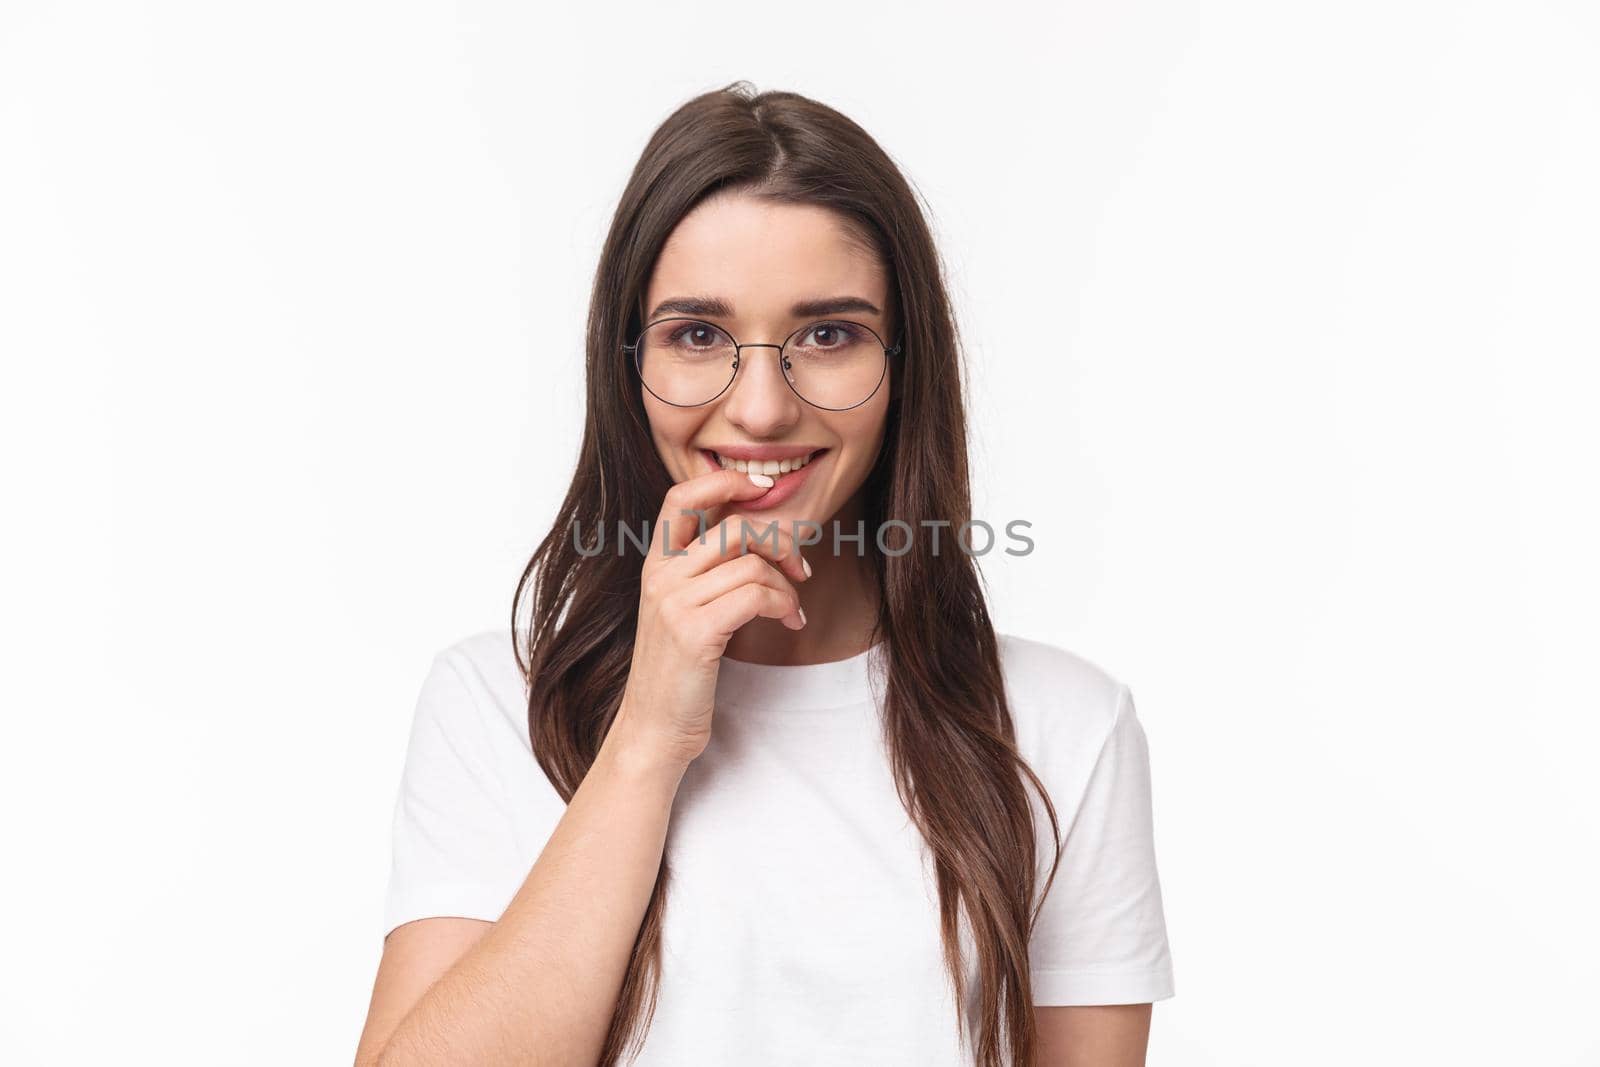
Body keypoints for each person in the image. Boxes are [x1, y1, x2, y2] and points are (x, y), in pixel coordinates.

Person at [354, 81, 1174, 1067]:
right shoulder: (493, 703)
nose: (760, 409)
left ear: (905, 363)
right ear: (627, 362)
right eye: (697, 334)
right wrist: (651, 734)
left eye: (827, 335)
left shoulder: (1062, 727)